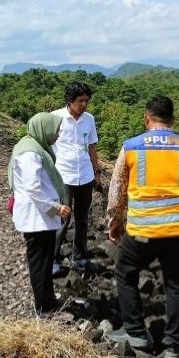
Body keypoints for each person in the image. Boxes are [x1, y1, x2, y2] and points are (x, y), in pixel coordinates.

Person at [105, 95, 179, 358]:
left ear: (146, 118)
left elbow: (116, 192)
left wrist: (114, 224)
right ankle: (174, 345)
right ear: (172, 120)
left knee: (126, 273)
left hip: (143, 229)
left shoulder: (131, 147)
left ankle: (136, 333)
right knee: (175, 283)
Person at [8, 112, 72, 316]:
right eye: (56, 131)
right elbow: (33, 188)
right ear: (44, 128)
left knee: (45, 259)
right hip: (36, 217)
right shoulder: (30, 153)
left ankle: (48, 299)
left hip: (40, 216)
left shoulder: (34, 146)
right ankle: (43, 307)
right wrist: (55, 208)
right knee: (39, 261)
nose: (58, 135)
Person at [51, 82, 102, 273]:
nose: (84, 105)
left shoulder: (89, 119)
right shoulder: (56, 118)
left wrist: (97, 174)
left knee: (82, 218)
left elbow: (92, 147)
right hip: (63, 174)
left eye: (87, 101)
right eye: (80, 101)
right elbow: (48, 146)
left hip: (85, 175)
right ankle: (53, 260)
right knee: (62, 217)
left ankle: (79, 258)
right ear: (70, 100)